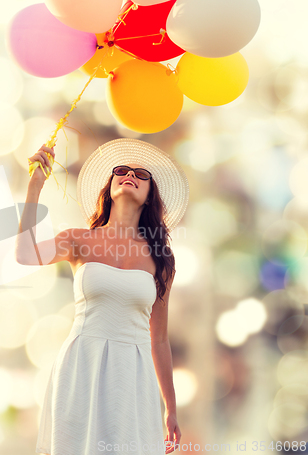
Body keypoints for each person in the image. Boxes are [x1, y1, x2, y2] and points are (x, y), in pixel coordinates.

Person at [16, 138, 189, 455]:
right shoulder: (78, 239)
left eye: (141, 174)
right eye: (121, 170)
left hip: (134, 376)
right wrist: (35, 186)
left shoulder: (161, 258)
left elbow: (159, 340)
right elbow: (25, 255)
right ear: (108, 186)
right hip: (82, 364)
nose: (130, 175)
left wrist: (171, 408)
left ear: (151, 196)